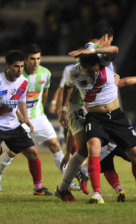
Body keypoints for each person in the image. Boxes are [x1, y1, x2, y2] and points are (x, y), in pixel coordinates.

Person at [56, 53, 136, 204]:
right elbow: (67, 87)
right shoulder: (73, 73)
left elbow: (115, 50)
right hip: (94, 118)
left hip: (116, 117)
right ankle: (96, 193)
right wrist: (63, 108)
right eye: (91, 71)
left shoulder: (105, 63)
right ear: (83, 67)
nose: (95, 73)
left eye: (96, 70)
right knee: (92, 148)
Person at [0, 44, 78, 191]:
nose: (35, 62)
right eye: (32, 59)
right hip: (13, 120)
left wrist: (33, 114)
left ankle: (65, 181)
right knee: (11, 152)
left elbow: (36, 96)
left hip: (33, 117)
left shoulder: (42, 75)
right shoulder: (11, 78)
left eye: (38, 58)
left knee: (49, 147)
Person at [0, 50, 52, 195]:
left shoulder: (23, 81)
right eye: (16, 66)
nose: (20, 70)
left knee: (33, 152)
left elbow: (22, 100)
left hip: (13, 125)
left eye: (22, 66)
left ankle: (38, 188)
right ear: (8, 65)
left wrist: (26, 119)